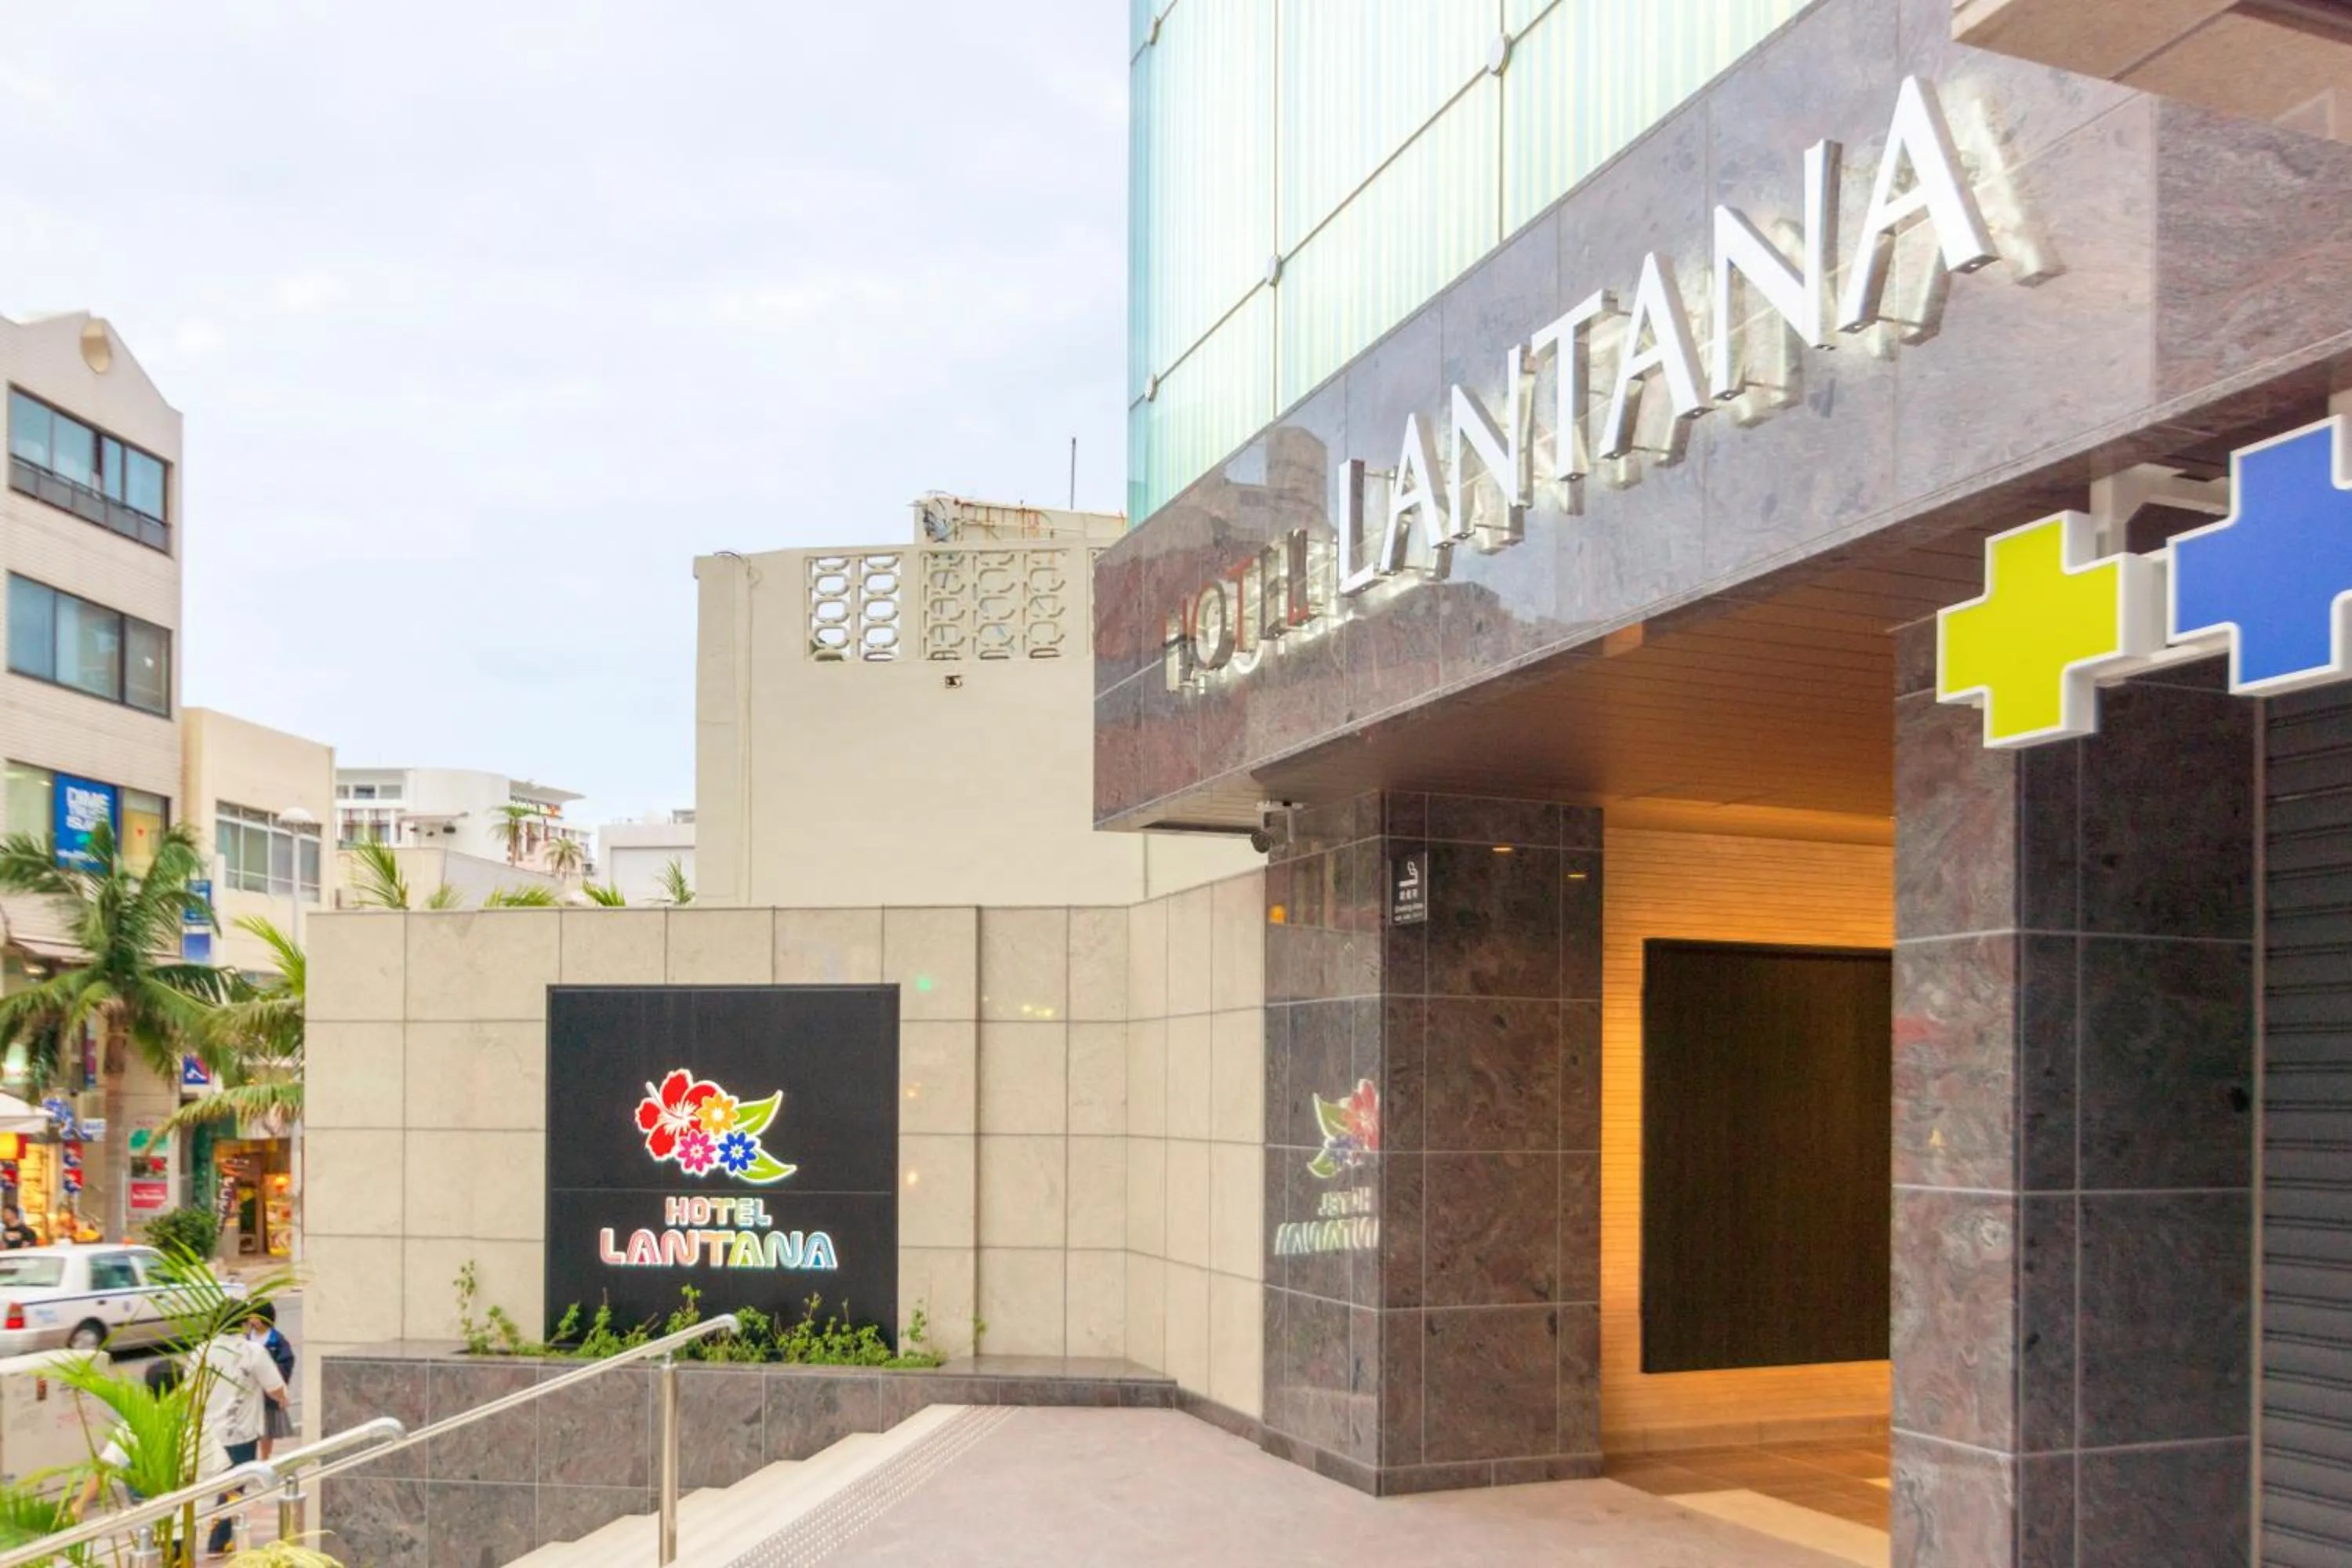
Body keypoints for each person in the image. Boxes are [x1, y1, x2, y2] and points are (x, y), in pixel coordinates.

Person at [198, 1308, 285, 1558]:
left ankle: (187, 1543)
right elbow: (276, 1388)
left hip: (206, 1430)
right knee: (234, 1487)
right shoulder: (251, 1351)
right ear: (243, 1323)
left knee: (208, 1488)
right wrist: (281, 1399)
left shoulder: (201, 1351)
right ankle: (218, 1541)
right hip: (240, 1431)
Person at [249, 1301, 296, 1460]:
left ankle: (265, 1457)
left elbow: (286, 1362)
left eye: (256, 1316)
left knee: (267, 1428)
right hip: (249, 1390)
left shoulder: (277, 1340)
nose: (253, 1320)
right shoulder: (246, 1337)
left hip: (267, 1393)